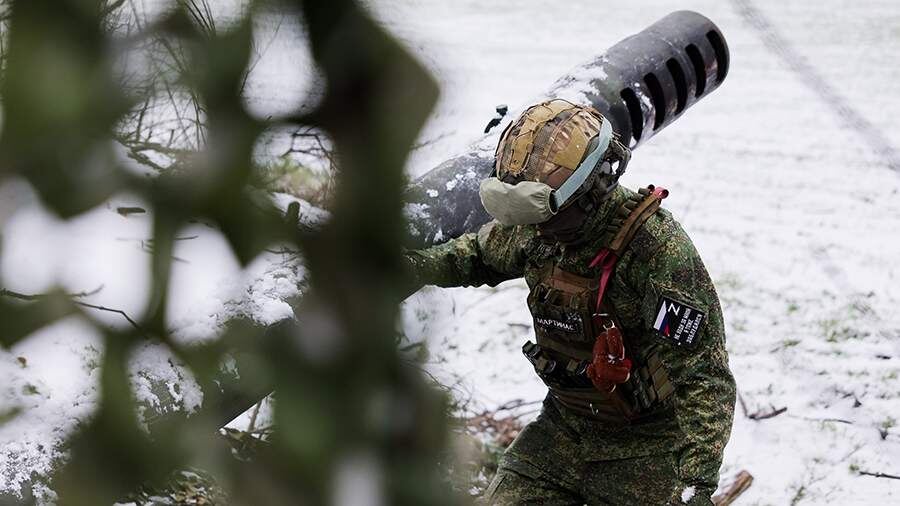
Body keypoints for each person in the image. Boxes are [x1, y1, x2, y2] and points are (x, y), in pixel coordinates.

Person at [404, 99, 736, 505]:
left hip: (649, 448)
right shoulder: (537, 229)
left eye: (545, 217)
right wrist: (409, 267)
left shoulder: (655, 252)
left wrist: (695, 486)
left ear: (591, 192)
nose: (535, 229)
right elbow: (475, 256)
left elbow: (704, 377)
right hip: (563, 432)